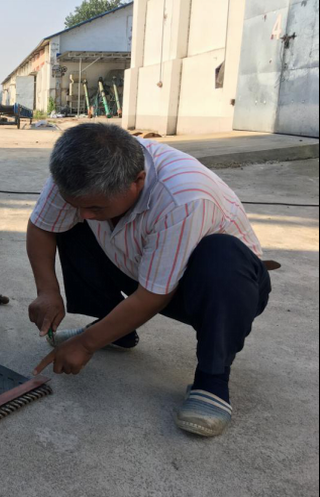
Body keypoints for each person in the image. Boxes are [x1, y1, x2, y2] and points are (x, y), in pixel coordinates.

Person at [27, 123, 272, 437]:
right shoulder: (77, 169)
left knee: (220, 256)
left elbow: (154, 296)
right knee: (71, 222)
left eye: (96, 206)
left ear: (138, 181)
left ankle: (212, 381)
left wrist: (86, 345)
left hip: (216, 291)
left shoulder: (183, 198)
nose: (85, 214)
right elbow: (42, 226)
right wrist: (47, 291)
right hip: (142, 266)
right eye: (79, 204)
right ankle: (116, 332)